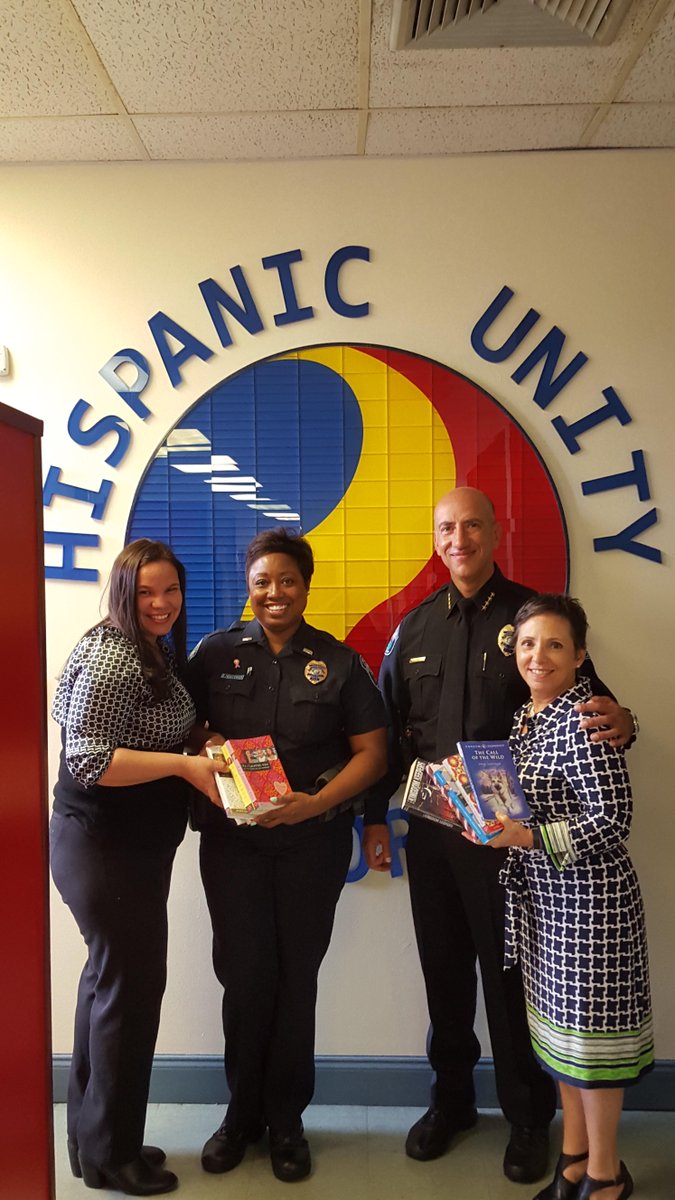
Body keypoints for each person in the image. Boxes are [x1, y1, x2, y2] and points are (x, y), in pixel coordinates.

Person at [364, 487, 636, 1184]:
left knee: (510, 978)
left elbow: (590, 708)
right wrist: (373, 816)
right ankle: (451, 1102)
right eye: (446, 529)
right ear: (436, 540)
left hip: (511, 842)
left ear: (494, 532)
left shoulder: (531, 621)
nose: (459, 539)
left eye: (472, 526)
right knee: (444, 972)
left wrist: (626, 720)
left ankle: (527, 1118)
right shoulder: (413, 628)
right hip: (432, 834)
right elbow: (388, 731)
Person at [185, 527, 387, 1183]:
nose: (275, 592)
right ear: (249, 587)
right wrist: (207, 741)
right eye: (262, 582)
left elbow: (373, 753)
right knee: (244, 979)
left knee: (296, 981)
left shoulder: (339, 662)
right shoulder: (213, 653)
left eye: (287, 581)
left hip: (311, 845)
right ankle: (239, 1116)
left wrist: (314, 802)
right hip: (233, 847)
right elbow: (182, 725)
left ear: (305, 586)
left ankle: (287, 1121)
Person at [50, 539, 223, 1198]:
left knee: (108, 990)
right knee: (128, 997)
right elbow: (90, 760)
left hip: (126, 849)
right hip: (106, 850)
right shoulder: (112, 656)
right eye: (146, 592)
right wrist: (185, 765)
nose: (160, 603)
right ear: (123, 593)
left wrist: (195, 740)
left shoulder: (147, 648)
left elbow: (140, 729)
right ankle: (115, 1157)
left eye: (170, 590)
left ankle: (94, 1142)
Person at [491, 594, 652, 1200]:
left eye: (555, 645)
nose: (539, 656)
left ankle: (607, 1175)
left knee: (592, 1045)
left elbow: (613, 818)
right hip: (544, 903)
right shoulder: (526, 718)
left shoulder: (586, 718)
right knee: (561, 1039)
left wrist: (528, 837)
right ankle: (575, 1159)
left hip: (592, 906)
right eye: (528, 644)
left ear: (580, 655)